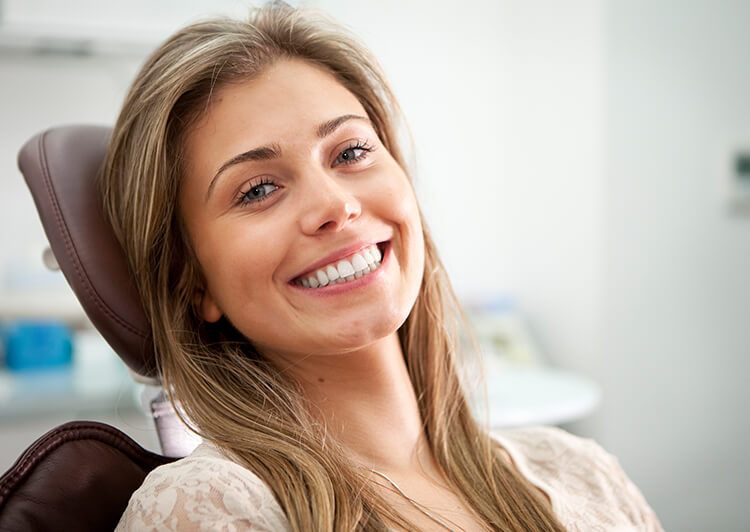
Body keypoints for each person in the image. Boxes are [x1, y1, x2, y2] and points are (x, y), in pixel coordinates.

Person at [105, 2, 662, 530]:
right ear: (194, 282)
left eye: (350, 153)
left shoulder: (583, 472)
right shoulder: (206, 509)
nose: (336, 206)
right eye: (258, 189)